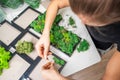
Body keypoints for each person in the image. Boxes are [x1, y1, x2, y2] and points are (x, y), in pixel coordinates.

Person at [35, 0, 120, 80]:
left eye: (88, 20)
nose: (82, 21)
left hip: (100, 46)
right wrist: (45, 34)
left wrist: (57, 78)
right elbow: (56, 3)